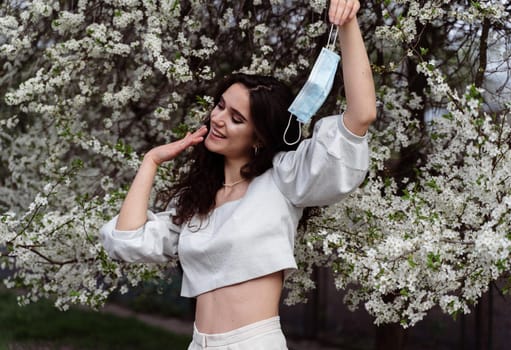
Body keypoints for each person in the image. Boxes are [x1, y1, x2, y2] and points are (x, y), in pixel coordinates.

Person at [100, 0, 376, 348]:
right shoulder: (197, 203)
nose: (218, 119)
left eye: (236, 118)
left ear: (259, 137)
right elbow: (125, 242)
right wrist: (150, 162)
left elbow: (361, 116)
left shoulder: (282, 180)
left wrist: (348, 23)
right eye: (220, 106)